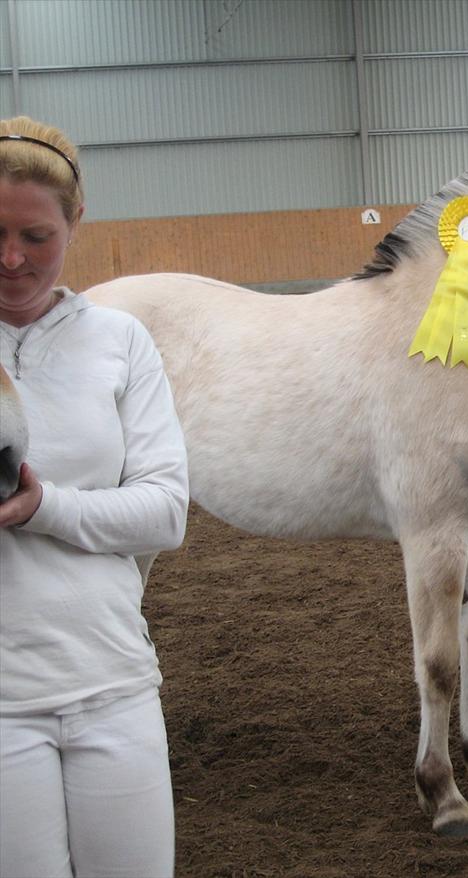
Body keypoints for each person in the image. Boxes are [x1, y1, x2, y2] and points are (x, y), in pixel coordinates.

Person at [0, 117, 188, 877]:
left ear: (76, 222)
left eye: (36, 236)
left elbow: (166, 511)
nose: (11, 259)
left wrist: (47, 509)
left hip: (114, 682)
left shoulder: (121, 341)